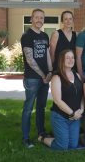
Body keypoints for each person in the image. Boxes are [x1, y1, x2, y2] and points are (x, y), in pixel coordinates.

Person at [38, 49, 84, 150]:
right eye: (67, 58)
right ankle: (43, 138)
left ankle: (59, 134)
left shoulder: (77, 75)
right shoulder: (56, 77)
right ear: (61, 60)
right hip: (60, 117)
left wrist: (81, 109)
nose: (71, 60)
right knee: (62, 146)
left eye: (72, 58)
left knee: (73, 145)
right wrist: (72, 113)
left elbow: (82, 96)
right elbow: (57, 100)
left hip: (75, 117)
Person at [20, 8, 53, 148]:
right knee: (28, 108)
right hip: (33, 78)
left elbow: (47, 55)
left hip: (45, 77)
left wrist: (50, 71)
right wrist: (43, 75)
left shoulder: (45, 36)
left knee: (41, 107)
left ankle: (41, 133)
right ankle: (26, 138)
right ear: (31, 19)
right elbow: (30, 59)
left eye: (41, 18)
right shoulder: (27, 36)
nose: (39, 20)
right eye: (36, 17)